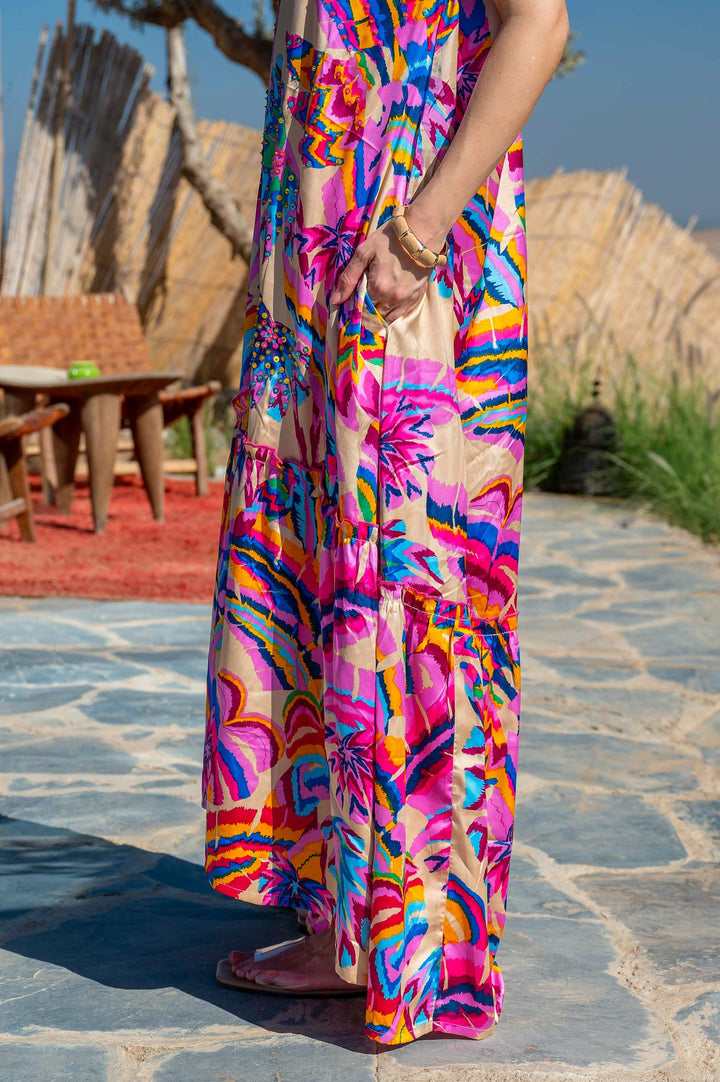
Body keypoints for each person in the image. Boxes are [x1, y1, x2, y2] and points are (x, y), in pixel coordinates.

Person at [203, 0, 569, 1046]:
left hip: (403, 253)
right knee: (325, 576)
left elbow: (539, 22)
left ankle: (399, 946)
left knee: (402, 579)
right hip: (321, 256)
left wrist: (420, 229)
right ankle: (354, 921)